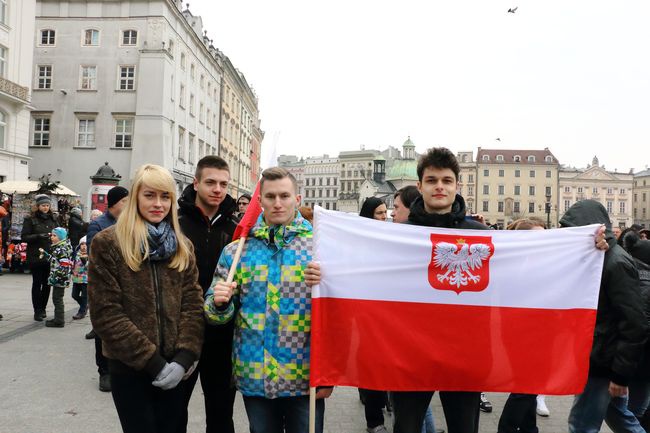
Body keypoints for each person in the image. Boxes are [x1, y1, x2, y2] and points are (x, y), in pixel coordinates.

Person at [204, 167, 332, 433]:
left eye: (284, 196)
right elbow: (214, 311)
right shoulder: (238, 250)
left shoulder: (321, 249)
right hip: (255, 374)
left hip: (305, 375)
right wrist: (219, 302)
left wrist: (327, 282)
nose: (277, 203)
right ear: (259, 201)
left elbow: (338, 313)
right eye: (270, 196)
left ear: (297, 200)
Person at [88, 164, 204, 433]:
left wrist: (185, 356)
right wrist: (154, 363)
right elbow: (106, 313)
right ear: (136, 197)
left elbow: (192, 303)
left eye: (165, 197)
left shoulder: (182, 245)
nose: (158, 204)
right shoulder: (108, 243)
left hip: (177, 366)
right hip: (130, 368)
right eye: (150, 195)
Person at [563, 200, 648, 433]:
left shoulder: (615, 261)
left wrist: (620, 375)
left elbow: (634, 323)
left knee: (581, 425)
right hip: (601, 357)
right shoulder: (599, 256)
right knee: (619, 417)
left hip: (603, 361)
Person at [177, 155, 239, 433]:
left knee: (221, 415)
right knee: (174, 412)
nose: (217, 189)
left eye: (223, 184)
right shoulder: (175, 223)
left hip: (222, 336)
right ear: (196, 182)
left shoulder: (237, 229)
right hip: (183, 333)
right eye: (211, 182)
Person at [85, 185, 129, 392]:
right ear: (116, 203)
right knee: (103, 330)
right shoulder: (98, 225)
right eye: (125, 202)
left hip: (127, 284)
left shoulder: (129, 224)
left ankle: (122, 368)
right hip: (104, 284)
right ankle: (104, 372)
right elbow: (96, 255)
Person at [358, 197, 391, 433]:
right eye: (379, 213)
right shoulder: (359, 240)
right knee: (370, 365)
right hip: (365, 314)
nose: (384, 217)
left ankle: (379, 401)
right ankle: (374, 421)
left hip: (385, 314)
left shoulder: (389, 236)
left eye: (386, 212)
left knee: (384, 364)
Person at [21, 194, 58, 321]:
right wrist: (38, 236)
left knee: (47, 283)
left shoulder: (53, 218)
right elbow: (24, 237)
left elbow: (59, 233)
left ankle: (42, 308)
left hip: (49, 255)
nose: (45, 208)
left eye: (47, 205)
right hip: (36, 256)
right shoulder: (30, 219)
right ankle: (37, 310)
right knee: (37, 283)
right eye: (43, 205)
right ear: (37, 206)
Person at [38, 227, 73, 328]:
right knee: (56, 298)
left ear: (61, 237)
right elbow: (55, 260)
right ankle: (58, 318)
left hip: (60, 278)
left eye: (54, 236)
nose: (52, 238)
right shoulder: (59, 247)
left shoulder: (62, 248)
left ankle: (59, 321)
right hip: (59, 277)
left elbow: (64, 265)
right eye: (51, 235)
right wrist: (45, 254)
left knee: (57, 298)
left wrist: (56, 277)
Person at [71, 236, 88, 320]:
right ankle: (85, 305)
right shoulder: (76, 253)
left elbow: (91, 267)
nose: (84, 246)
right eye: (82, 244)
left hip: (86, 280)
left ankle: (81, 312)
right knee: (74, 295)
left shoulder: (90, 254)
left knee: (85, 296)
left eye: (86, 244)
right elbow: (73, 263)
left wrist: (85, 262)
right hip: (76, 279)